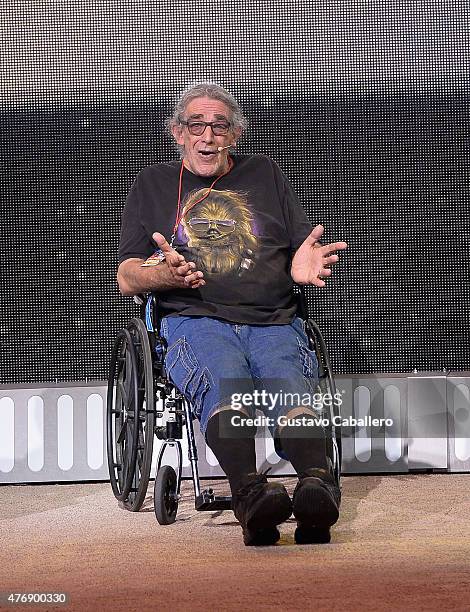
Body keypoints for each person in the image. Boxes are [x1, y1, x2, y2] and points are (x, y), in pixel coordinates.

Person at [117, 82, 348, 546]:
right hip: (195, 318)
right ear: (178, 134)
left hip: (274, 316)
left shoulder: (264, 173)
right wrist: (163, 276)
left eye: (219, 125)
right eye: (196, 125)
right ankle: (249, 495)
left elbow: (302, 246)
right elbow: (127, 276)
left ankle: (316, 487)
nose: (208, 135)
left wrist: (303, 264)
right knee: (225, 377)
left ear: (234, 136)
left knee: (287, 378)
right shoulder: (153, 184)